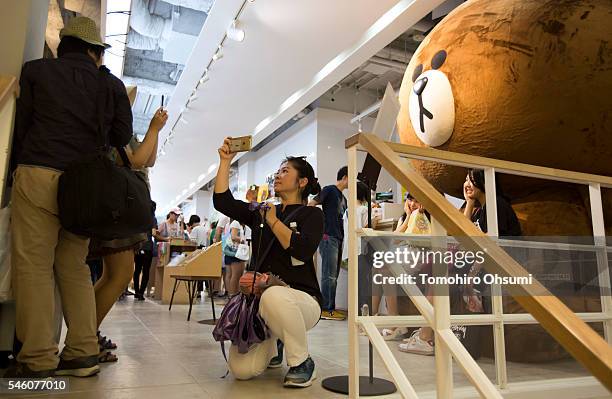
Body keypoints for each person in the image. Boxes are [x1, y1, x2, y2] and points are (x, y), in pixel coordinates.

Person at [7, 16, 131, 378]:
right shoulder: (110, 84)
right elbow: (121, 135)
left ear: (64, 48)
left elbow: (22, 126)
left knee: (34, 267)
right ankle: (82, 353)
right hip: (85, 186)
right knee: (74, 266)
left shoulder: (36, 72)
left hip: (40, 171)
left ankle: (39, 357)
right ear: (95, 52)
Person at [214, 137, 323, 388]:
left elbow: (302, 250)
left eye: (285, 171)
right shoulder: (260, 212)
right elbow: (223, 202)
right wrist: (225, 162)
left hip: (303, 301)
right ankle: (276, 342)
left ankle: (302, 362)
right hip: (260, 304)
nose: (278, 175)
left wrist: (274, 221)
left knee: (273, 296)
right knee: (242, 371)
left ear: (302, 181)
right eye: (277, 171)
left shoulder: (311, 214)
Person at [91, 100, 167, 362]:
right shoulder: (113, 131)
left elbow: (150, 159)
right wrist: (155, 129)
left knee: (112, 275)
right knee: (120, 275)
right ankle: (84, 339)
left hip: (119, 208)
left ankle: (86, 333)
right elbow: (135, 161)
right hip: (118, 208)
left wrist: (155, 130)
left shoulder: (122, 132)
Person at [308, 166, 348, 320]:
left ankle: (330, 307)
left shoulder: (343, 199)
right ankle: (326, 309)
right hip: (327, 236)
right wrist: (316, 228)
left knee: (333, 275)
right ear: (345, 177)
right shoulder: (330, 190)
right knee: (328, 275)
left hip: (338, 238)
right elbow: (312, 203)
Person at [223, 219, 247, 296]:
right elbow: (233, 237)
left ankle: (231, 294)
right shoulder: (236, 222)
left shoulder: (235, 223)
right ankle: (233, 295)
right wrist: (243, 240)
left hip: (232, 252)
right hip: (235, 252)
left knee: (230, 275)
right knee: (235, 275)